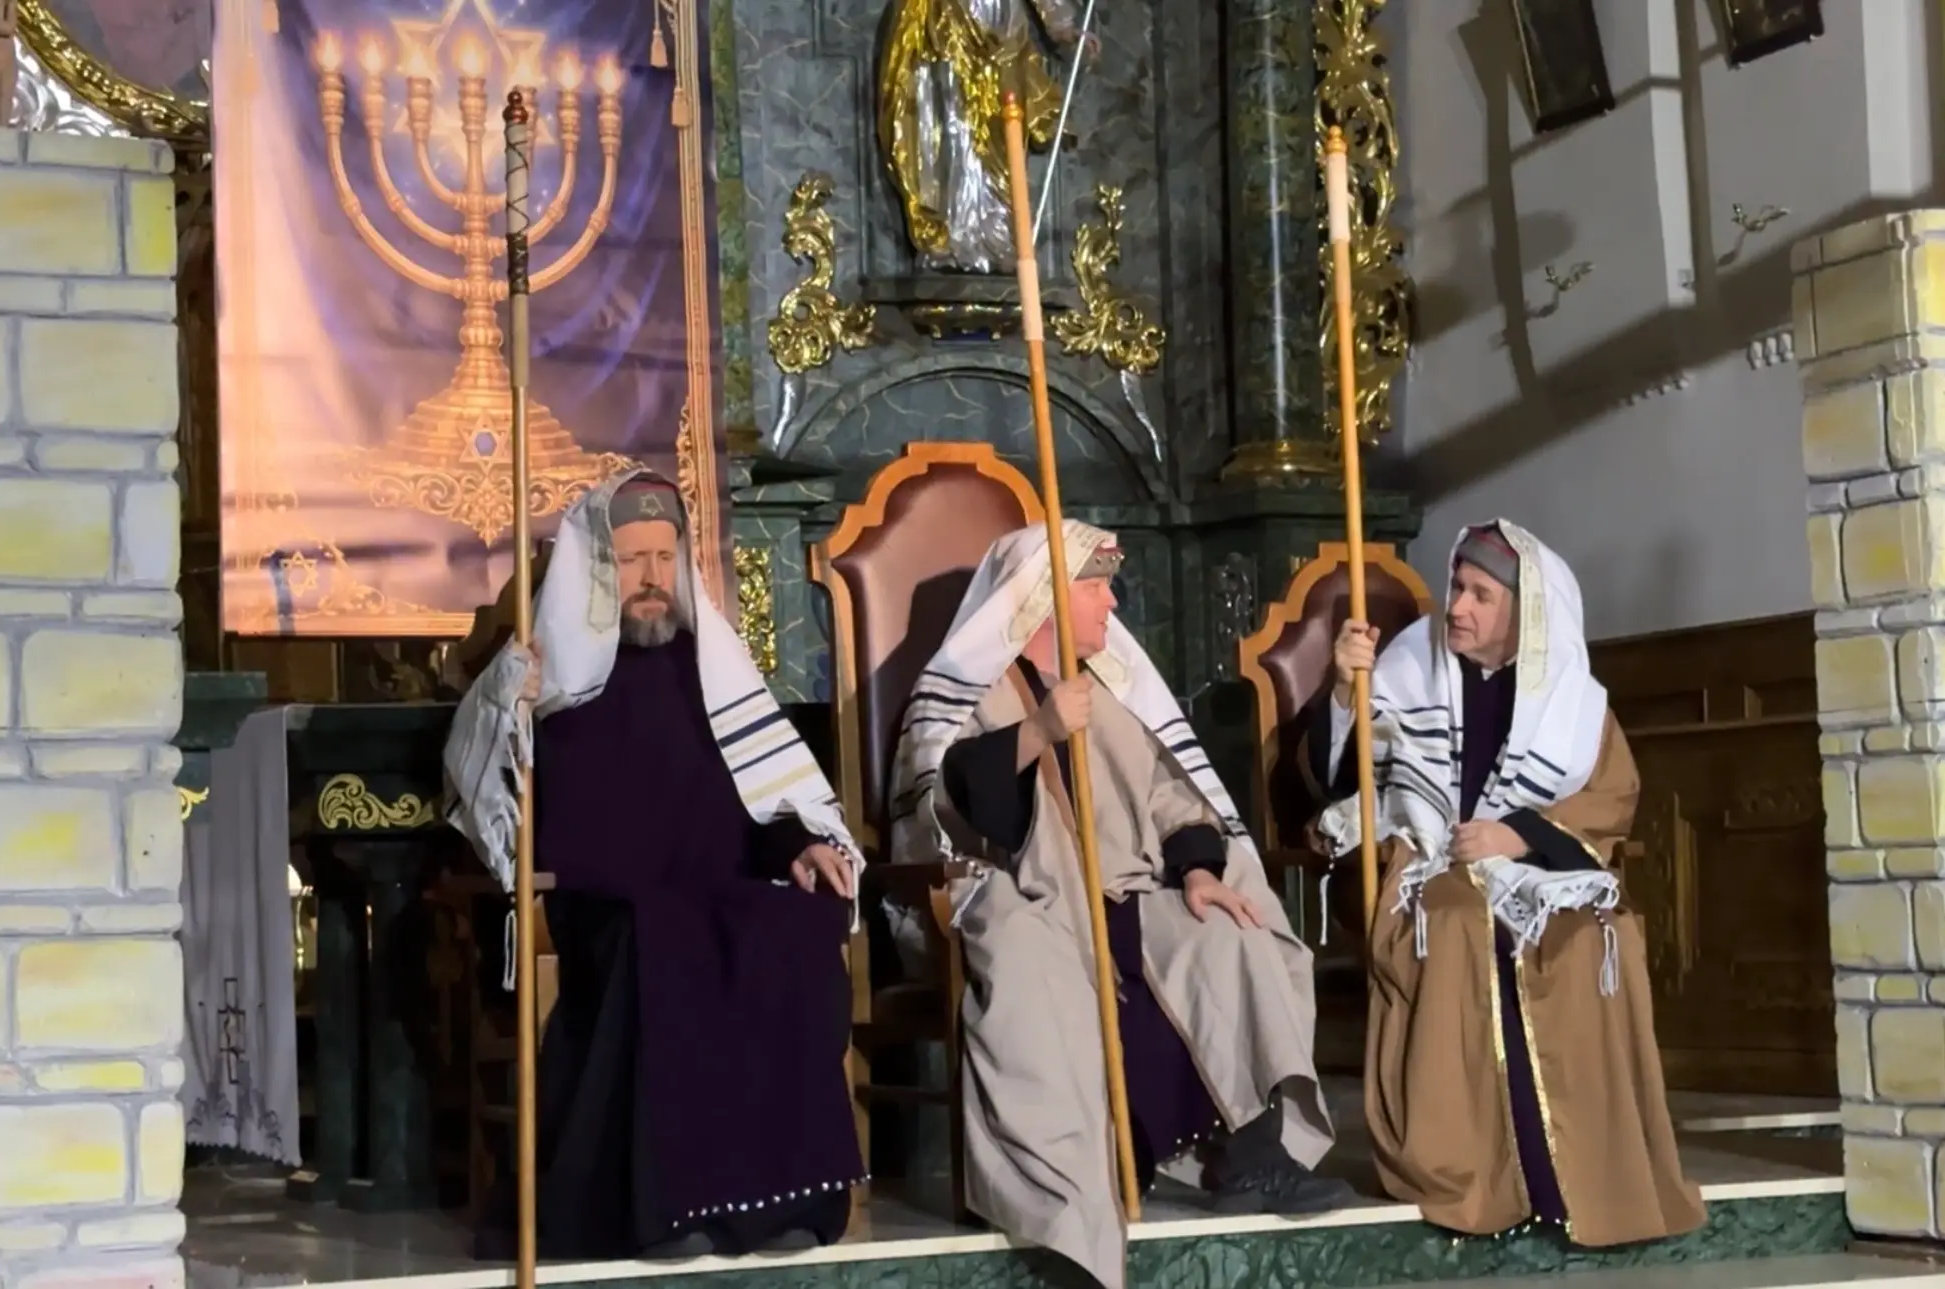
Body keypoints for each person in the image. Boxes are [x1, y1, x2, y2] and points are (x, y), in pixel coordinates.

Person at [890, 520, 1351, 1289]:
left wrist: (1197, 869)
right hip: (1026, 895)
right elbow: (951, 812)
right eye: (1095, 586)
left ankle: (1249, 1152)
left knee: (1228, 932)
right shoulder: (965, 688)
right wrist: (1038, 730)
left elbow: (1173, 792)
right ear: (1041, 599)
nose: (1112, 601)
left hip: (1125, 891)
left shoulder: (1112, 685)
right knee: (1037, 976)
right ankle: (1068, 1203)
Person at [444, 469, 866, 1261]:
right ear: (599, 567)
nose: (650, 577)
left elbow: (755, 796)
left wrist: (798, 845)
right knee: (664, 941)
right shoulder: (550, 670)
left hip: (713, 889)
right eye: (633, 558)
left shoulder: (710, 671)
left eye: (664, 557)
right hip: (600, 902)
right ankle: (661, 1212)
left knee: (797, 927)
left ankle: (783, 1204)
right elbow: (482, 776)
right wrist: (509, 699)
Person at [1315, 520, 1705, 1246]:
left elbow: (1612, 796)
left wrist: (1518, 835)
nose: (1457, 606)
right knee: (1458, 921)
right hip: (1423, 859)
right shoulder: (1408, 665)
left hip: (1529, 865)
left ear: (1525, 613)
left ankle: (1584, 1178)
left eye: (1479, 594)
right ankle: (1466, 1173)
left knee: (1591, 937)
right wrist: (1344, 689)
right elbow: (1342, 781)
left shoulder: (1572, 697)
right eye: (1457, 587)